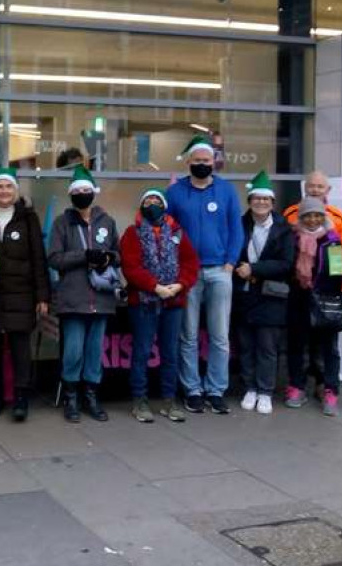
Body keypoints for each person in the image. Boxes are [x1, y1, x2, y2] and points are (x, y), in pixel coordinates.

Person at [166, 135, 243, 415]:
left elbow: (236, 229)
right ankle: (193, 389)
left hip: (219, 270)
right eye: (197, 161)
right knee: (188, 335)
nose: (201, 164)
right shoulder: (175, 194)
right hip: (187, 275)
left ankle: (215, 389)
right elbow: (167, 230)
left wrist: (230, 263)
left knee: (220, 335)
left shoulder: (226, 191)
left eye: (206, 161)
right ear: (188, 162)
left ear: (214, 162)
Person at [120, 188, 199, 423]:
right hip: (144, 302)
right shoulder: (131, 233)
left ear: (164, 206)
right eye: (148, 200)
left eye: (156, 200)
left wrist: (179, 285)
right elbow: (131, 267)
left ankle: (168, 400)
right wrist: (155, 287)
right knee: (142, 352)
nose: (152, 204)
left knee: (170, 353)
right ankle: (139, 400)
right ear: (141, 206)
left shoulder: (178, 233)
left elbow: (190, 263)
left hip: (174, 301)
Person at [48, 165, 119, 423]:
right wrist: (84, 256)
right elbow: (54, 259)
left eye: (86, 190)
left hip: (101, 299)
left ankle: (91, 396)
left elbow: (118, 255)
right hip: (73, 298)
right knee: (73, 351)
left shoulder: (107, 221)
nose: (82, 194)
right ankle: (71, 397)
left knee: (93, 351)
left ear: (94, 193)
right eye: (77, 191)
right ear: (70, 195)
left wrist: (107, 258)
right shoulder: (61, 223)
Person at [0, 167, 50, 422]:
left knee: (21, 348)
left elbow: (38, 258)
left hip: (22, 293)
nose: (4, 191)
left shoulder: (28, 217)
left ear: (16, 190)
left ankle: (21, 398)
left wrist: (43, 296)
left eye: (8, 187)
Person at [283, 169, 342, 399]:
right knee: (299, 342)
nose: (315, 190)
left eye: (320, 187)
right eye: (311, 186)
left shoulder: (339, 220)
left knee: (327, 345)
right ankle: (298, 385)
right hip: (299, 291)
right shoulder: (291, 215)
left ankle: (326, 385)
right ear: (306, 188)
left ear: (328, 190)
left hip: (328, 292)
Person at [232, 172, 293, 416]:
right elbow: (232, 252)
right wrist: (241, 269)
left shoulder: (283, 229)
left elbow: (287, 263)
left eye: (265, 200)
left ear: (272, 203)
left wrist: (254, 269)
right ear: (249, 201)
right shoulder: (239, 223)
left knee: (267, 347)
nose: (261, 203)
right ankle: (250, 387)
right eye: (256, 199)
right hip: (244, 294)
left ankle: (266, 391)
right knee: (245, 345)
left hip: (270, 296)